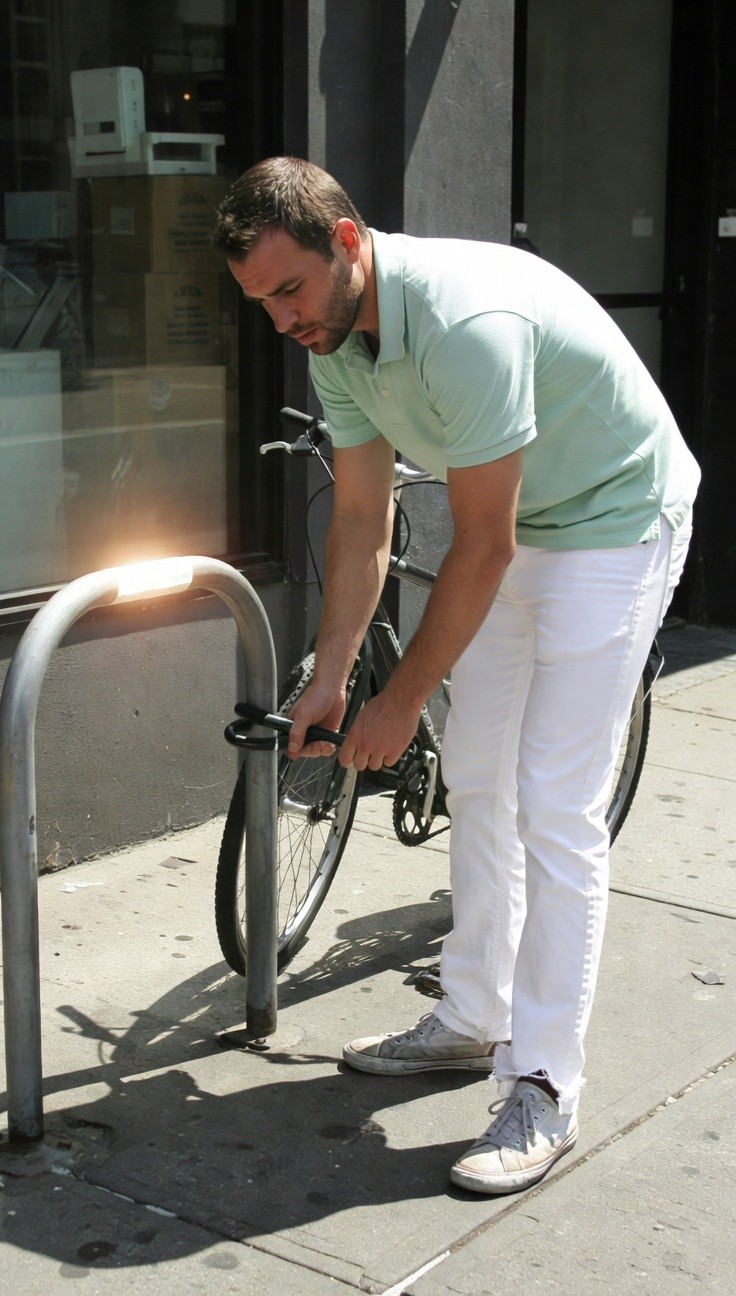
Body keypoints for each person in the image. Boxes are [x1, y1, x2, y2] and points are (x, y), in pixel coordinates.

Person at [213, 157, 700, 1195]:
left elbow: (479, 546)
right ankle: (472, 1018)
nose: (282, 321)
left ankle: (545, 1087)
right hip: (524, 530)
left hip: (615, 521)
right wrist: (336, 675)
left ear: (347, 242)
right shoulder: (335, 339)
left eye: (289, 289)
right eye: (261, 304)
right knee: (478, 773)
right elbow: (360, 519)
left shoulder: (466, 322)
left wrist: (399, 699)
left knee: (554, 805)